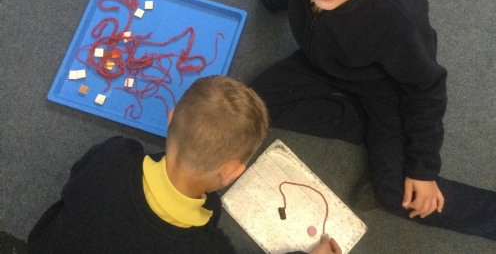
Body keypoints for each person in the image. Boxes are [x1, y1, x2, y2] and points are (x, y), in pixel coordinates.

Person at [250, 0, 496, 241]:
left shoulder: (397, 20)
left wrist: (423, 169)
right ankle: (366, 127)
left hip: (384, 91)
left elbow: (427, 89)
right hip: (324, 63)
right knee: (254, 105)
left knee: (395, 193)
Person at [28, 75, 342, 254]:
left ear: (170, 119)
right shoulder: (204, 247)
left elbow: (76, 180)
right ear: (231, 172)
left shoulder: (114, 155)